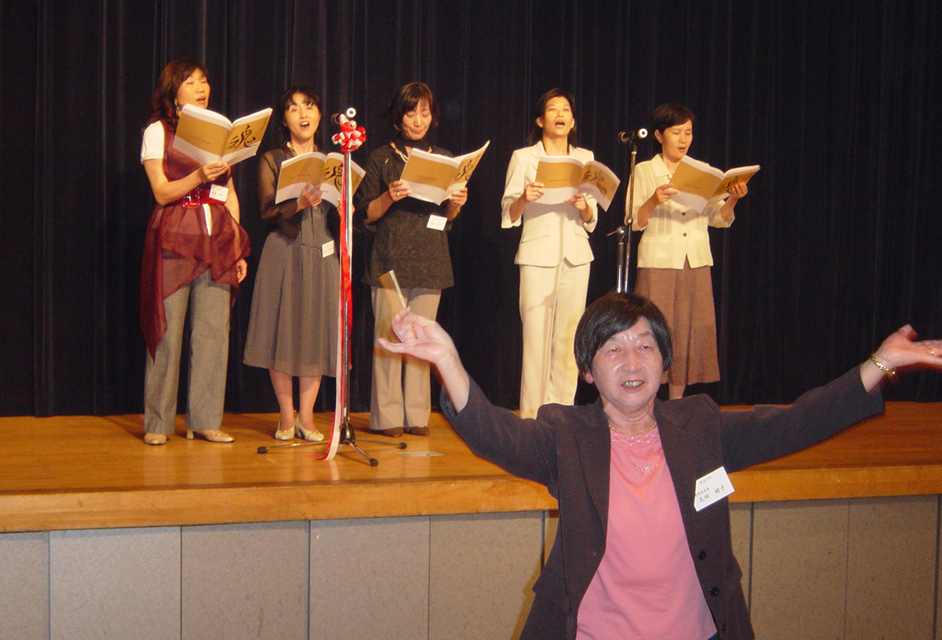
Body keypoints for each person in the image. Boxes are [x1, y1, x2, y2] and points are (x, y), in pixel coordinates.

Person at [379, 291, 942, 640]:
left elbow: (799, 421)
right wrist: (447, 359)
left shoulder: (699, 426)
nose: (632, 361)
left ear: (665, 362)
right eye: (613, 348)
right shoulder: (566, 435)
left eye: (646, 346)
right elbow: (494, 434)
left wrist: (881, 362)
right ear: (588, 371)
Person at [140, 59, 250, 445]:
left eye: (204, 81)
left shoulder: (219, 133)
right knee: (168, 334)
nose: (201, 88)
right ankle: (158, 423)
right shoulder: (158, 131)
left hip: (217, 238)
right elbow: (161, 192)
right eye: (191, 82)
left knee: (213, 333)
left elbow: (229, 194)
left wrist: (236, 250)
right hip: (176, 238)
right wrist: (198, 176)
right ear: (173, 90)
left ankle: (204, 420)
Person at [353, 82, 467, 437]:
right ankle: (387, 417)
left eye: (425, 113)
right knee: (390, 338)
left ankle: (417, 414)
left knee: (423, 338)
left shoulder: (443, 157)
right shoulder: (381, 158)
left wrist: (456, 203)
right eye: (411, 113)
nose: (418, 120)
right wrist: (389, 196)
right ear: (398, 117)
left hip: (430, 256)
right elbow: (365, 214)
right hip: (389, 256)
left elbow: (447, 217)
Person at [632, 103, 747, 400]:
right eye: (676, 132)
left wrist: (732, 199)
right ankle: (646, 402)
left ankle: (676, 404)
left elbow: (717, 218)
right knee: (653, 332)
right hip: (659, 260)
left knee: (687, 332)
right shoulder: (645, 170)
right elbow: (634, 221)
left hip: (694, 260)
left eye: (688, 132)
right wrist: (654, 200)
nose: (683, 139)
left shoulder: (700, 170)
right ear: (659, 135)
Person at [243, 86, 339, 442]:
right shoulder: (272, 159)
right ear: (284, 118)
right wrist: (297, 204)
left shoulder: (332, 160)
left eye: (309, 106)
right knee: (279, 333)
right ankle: (286, 416)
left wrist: (346, 205)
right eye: (294, 108)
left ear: (319, 114)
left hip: (322, 252)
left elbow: (344, 215)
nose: (303, 113)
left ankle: (307, 418)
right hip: (283, 250)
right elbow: (265, 211)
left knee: (315, 334)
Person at [501, 88, 598, 419]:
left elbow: (592, 217)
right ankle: (532, 417)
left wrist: (585, 206)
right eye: (553, 109)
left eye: (566, 109)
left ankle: (561, 415)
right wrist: (524, 198)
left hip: (576, 254)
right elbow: (509, 212)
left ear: (573, 121)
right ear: (540, 120)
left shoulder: (585, 157)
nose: (560, 114)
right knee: (536, 339)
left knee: (569, 339)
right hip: (537, 254)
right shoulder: (524, 158)